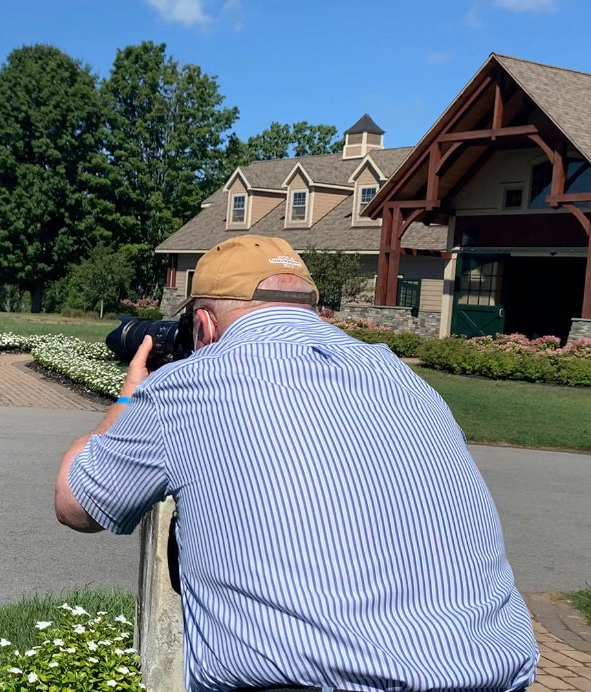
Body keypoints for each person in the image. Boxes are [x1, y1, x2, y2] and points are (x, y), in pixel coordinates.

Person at [55, 235, 537, 691]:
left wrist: (129, 398)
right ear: (312, 308)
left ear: (203, 325)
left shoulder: (189, 385)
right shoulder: (399, 374)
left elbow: (77, 505)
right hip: (493, 672)